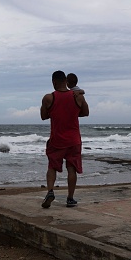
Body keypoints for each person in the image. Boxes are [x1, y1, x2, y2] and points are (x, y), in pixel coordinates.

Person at [40, 70, 89, 208]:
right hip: (74, 139)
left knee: (52, 166)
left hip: (57, 139)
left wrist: (55, 111)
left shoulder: (49, 98)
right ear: (66, 81)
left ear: (54, 82)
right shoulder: (77, 96)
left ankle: (50, 191)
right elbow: (85, 112)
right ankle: (70, 198)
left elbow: (43, 116)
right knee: (71, 168)